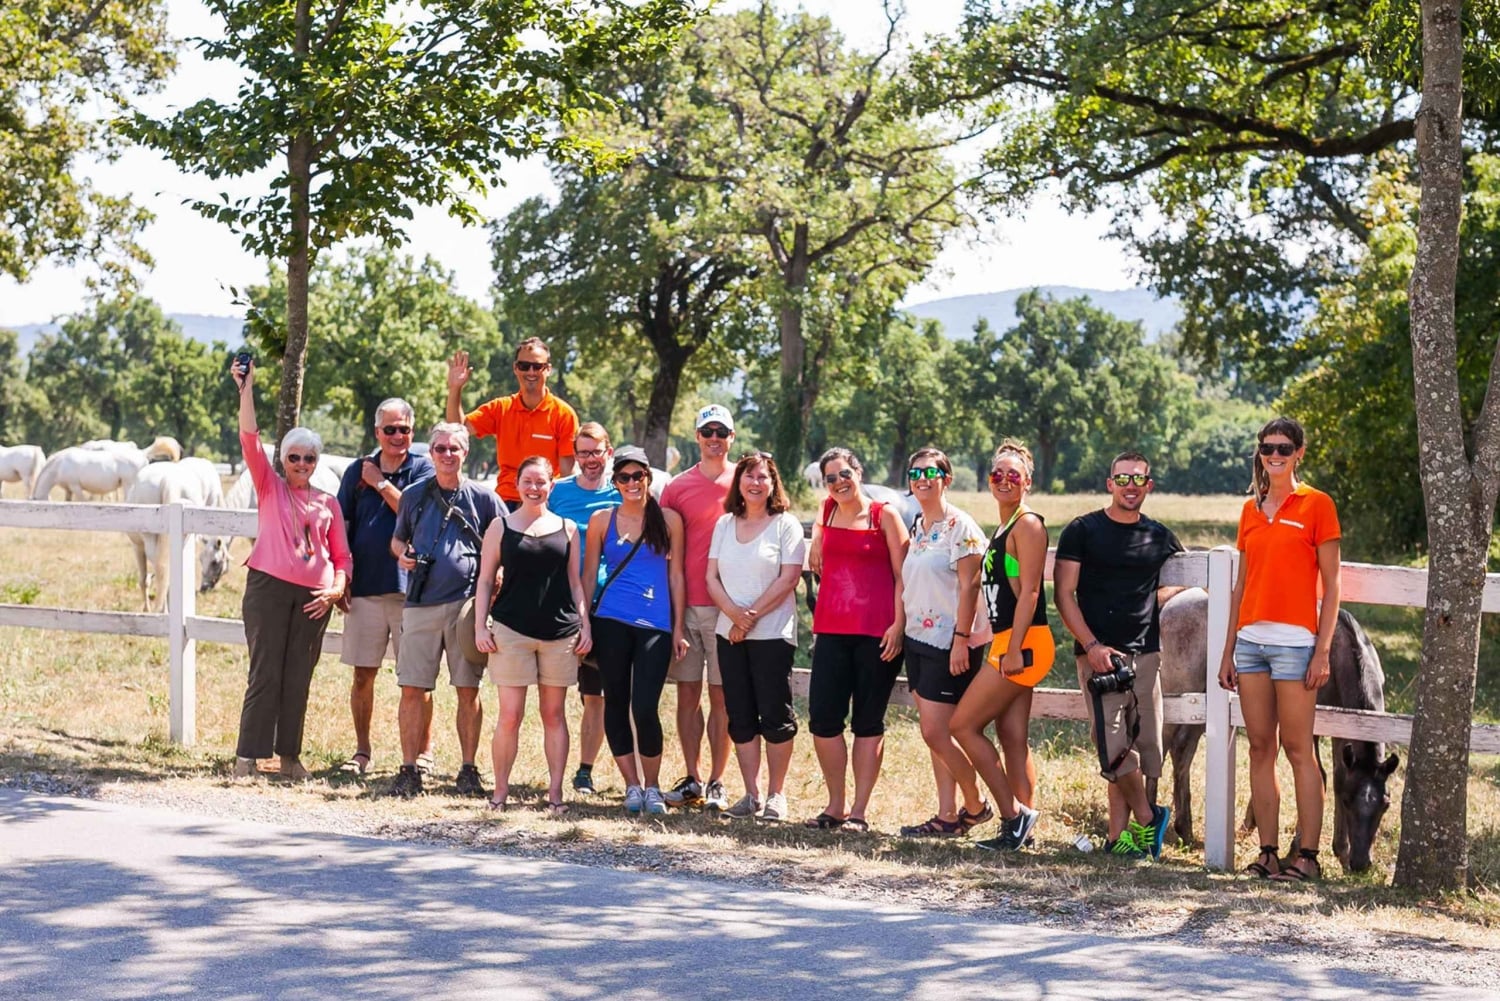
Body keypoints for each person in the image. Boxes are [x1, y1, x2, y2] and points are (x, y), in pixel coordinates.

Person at [1218, 417, 1341, 883]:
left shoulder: (1317, 505)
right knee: (1259, 748)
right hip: (1251, 645)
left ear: (1299, 453)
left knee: (1298, 749)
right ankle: (1268, 853)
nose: (1275, 455)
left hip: (1295, 646)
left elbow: (1333, 586)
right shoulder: (1250, 510)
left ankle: (1307, 856)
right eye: (1268, 447)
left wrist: (1322, 650)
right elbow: (1241, 585)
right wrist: (1228, 651)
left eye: (1284, 448)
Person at [1054, 451, 1183, 860]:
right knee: (1110, 745)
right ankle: (1149, 817)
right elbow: (1063, 595)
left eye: (1138, 479)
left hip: (1145, 654)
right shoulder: (1083, 530)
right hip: (1099, 656)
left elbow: (1184, 577)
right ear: (1110, 483)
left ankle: (1117, 837)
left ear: (1149, 486)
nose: (1130, 486)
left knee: (1137, 747)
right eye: (1123, 478)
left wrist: (1149, 602)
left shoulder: (1159, 535)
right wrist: (1091, 646)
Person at [229, 357, 351, 780]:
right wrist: (246, 389)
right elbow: (249, 438)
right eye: (294, 457)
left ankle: (289, 758)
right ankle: (247, 757)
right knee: (265, 673)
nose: (301, 463)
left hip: (315, 600)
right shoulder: (270, 487)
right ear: (283, 460)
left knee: (298, 677)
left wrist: (336, 589)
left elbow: (343, 557)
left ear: (317, 462)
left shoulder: (329, 502)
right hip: (269, 590)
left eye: (309, 458)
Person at [389, 423, 504, 798]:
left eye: (454, 448)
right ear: (431, 453)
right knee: (412, 688)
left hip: (465, 606)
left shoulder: (483, 498)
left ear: (465, 452)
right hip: (420, 603)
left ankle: (468, 770)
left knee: (468, 689)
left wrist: (496, 574)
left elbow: (506, 540)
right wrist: (403, 556)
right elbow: (397, 540)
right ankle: (409, 770)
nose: (447, 455)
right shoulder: (414, 495)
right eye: (440, 448)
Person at [474, 456, 591, 813]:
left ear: (551, 485)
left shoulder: (568, 528)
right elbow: (485, 580)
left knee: (554, 715)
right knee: (510, 715)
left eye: (541, 482)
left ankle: (555, 795)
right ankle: (500, 794)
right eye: (528, 481)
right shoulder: (500, 527)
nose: (534, 488)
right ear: (517, 484)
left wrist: (585, 624)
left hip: (560, 633)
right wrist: (480, 625)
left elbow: (575, 582)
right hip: (511, 630)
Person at [951, 440, 1051, 852]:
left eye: (1014, 475)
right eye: (998, 474)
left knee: (961, 725)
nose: (1004, 480)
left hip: (1023, 644)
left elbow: (1030, 593)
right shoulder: (1005, 526)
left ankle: (1013, 814)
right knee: (1012, 737)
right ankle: (1022, 831)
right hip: (1009, 640)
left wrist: (1012, 650)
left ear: (1027, 482)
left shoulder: (1028, 525)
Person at [803, 447, 908, 833]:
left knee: (867, 721)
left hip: (878, 634)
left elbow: (904, 575)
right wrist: (817, 535)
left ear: (858, 473)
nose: (838, 483)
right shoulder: (826, 510)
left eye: (844, 474)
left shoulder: (885, 515)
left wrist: (899, 625)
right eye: (830, 478)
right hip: (831, 630)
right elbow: (820, 542)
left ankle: (859, 811)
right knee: (823, 720)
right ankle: (836, 805)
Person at [895, 447, 995, 838]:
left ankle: (976, 804)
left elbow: (971, 586)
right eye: (915, 472)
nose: (922, 479)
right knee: (934, 734)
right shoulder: (918, 525)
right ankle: (947, 815)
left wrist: (961, 640)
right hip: (917, 638)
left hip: (950, 642)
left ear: (946, 479)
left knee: (936, 732)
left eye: (931, 472)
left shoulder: (961, 526)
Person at [582, 446, 687, 816]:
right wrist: (584, 623)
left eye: (638, 475)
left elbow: (676, 575)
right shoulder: (601, 520)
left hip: (654, 624)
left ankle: (653, 785)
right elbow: (588, 576)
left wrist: (679, 626)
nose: (632, 483)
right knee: (615, 701)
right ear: (615, 482)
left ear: (648, 477)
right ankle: (631, 785)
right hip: (610, 620)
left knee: (644, 706)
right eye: (624, 477)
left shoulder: (668, 520)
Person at [335, 398, 434, 775]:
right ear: (377, 432)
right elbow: (342, 525)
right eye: (390, 429)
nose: (397, 436)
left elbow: (417, 513)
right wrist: (342, 576)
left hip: (413, 590)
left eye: (404, 429)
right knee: (363, 674)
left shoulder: (423, 468)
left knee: (417, 679)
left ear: (412, 431)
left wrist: (378, 482)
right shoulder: (355, 471)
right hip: (365, 587)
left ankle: (423, 752)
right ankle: (362, 751)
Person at [705, 453, 806, 821]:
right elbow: (711, 578)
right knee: (740, 714)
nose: (756, 483)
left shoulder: (785, 525)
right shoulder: (724, 524)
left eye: (763, 477)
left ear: (773, 483)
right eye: (749, 476)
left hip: (772, 635)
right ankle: (752, 794)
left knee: (775, 714)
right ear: (739, 482)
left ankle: (777, 794)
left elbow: (788, 578)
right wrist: (734, 616)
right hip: (728, 634)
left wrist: (748, 618)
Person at [659, 404, 737, 811]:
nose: (714, 438)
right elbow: (663, 549)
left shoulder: (746, 481)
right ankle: (692, 777)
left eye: (721, 432)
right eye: (708, 431)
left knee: (722, 698)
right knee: (687, 696)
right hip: (686, 606)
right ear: (697, 437)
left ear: (731, 438)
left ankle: (718, 781)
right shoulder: (676, 488)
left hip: (729, 608)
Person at [546, 421, 620, 796]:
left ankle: (585, 771)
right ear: (574, 455)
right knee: (553, 693)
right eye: (583, 453)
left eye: (597, 452)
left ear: (609, 452)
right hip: (558, 604)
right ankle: (553, 771)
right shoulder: (557, 492)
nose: (590, 460)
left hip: (604, 605)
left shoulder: (621, 493)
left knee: (596, 695)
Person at [446, 338, 580, 506]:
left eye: (537, 366)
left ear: (548, 369)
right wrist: (455, 388)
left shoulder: (564, 414)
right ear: (516, 368)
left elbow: (567, 474)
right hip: (506, 501)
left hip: (546, 502)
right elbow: (457, 429)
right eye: (524, 366)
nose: (531, 372)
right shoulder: (501, 408)